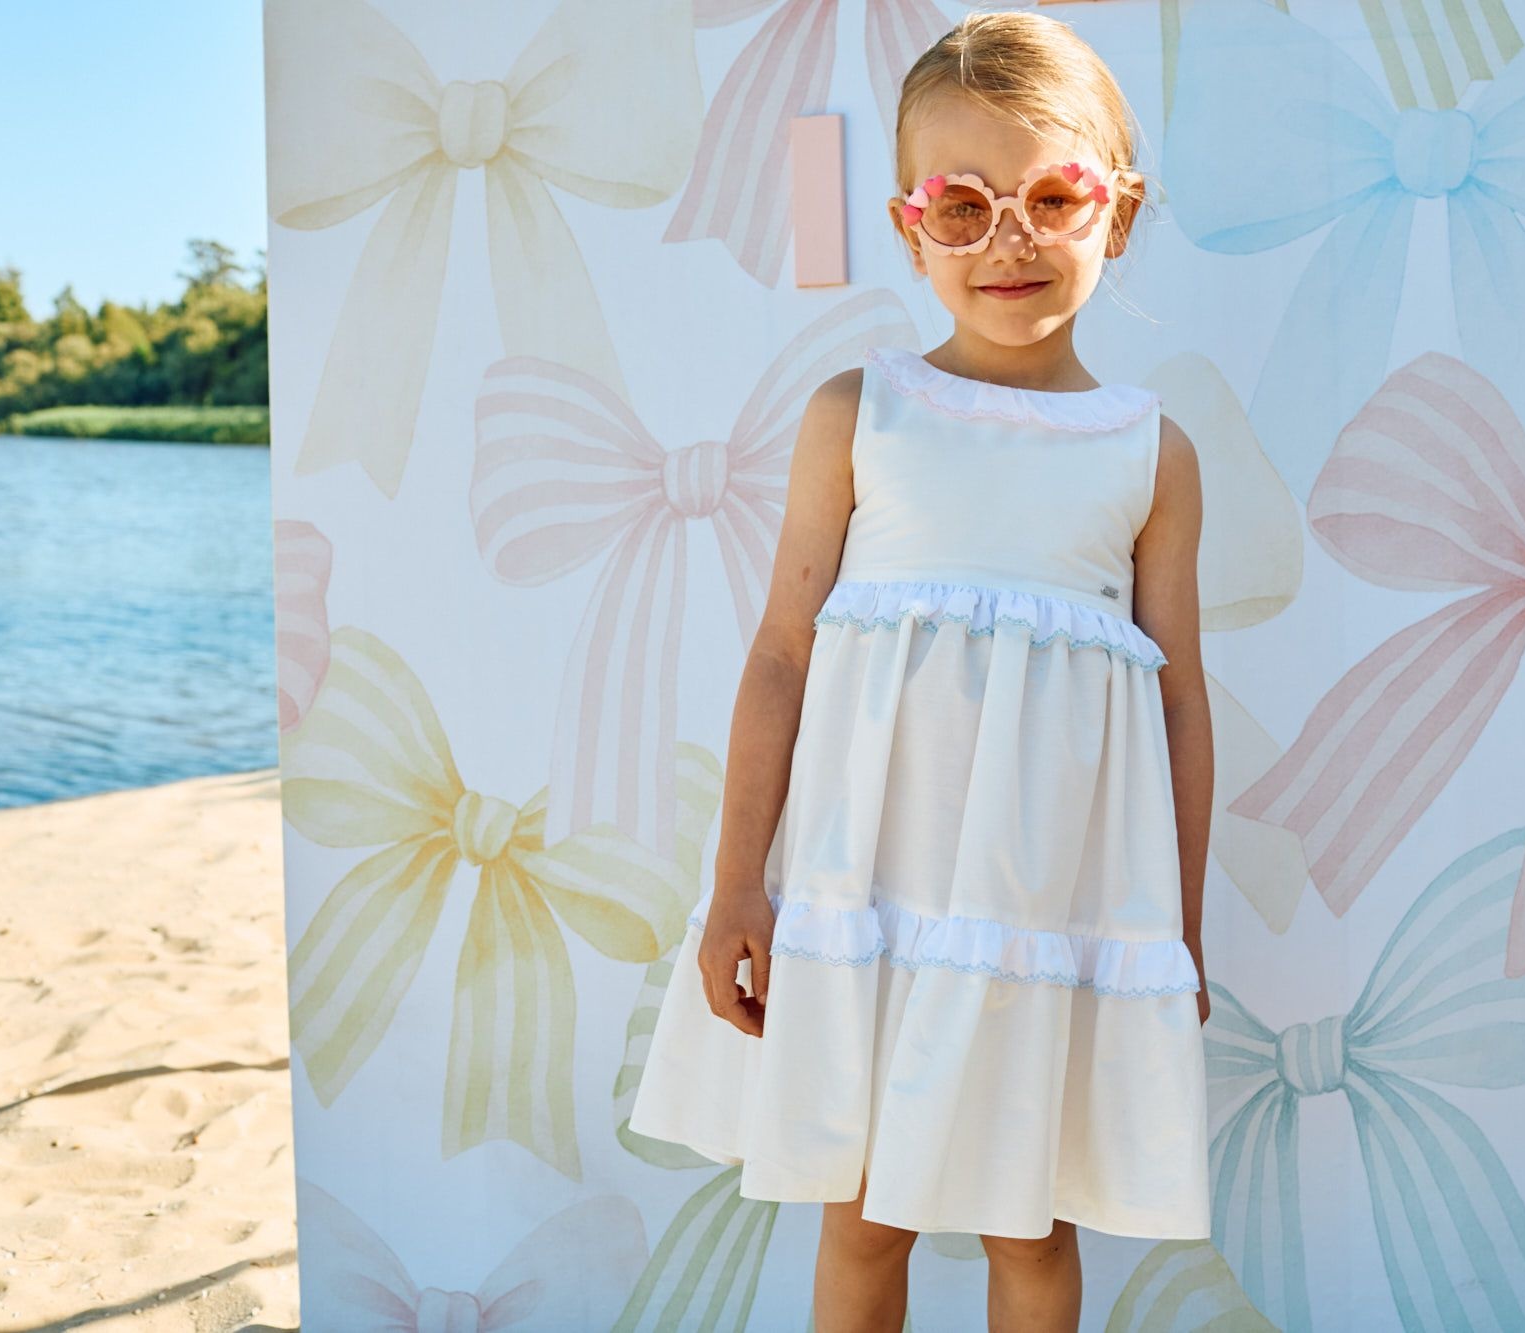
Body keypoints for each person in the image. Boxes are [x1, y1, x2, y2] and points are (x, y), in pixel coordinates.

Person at [626, 12, 1212, 1331]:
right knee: (864, 1211)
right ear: (911, 230)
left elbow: (1177, 701)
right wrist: (737, 883)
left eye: (1051, 198)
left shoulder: (1148, 453)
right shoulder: (859, 414)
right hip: (869, 893)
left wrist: (1176, 933)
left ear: (1116, 214)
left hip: (1046, 908)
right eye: (962, 205)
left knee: (1030, 1223)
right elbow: (782, 655)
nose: (1009, 240)